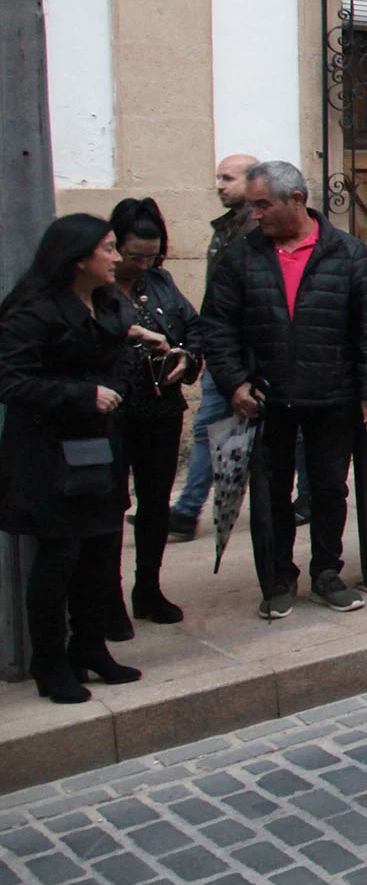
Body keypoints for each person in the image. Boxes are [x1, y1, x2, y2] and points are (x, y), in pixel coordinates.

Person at [195, 161, 367, 619]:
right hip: (265, 401)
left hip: (331, 396)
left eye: (263, 204)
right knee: (270, 495)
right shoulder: (241, 257)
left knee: (328, 490)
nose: (256, 214)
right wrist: (233, 384)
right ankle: (278, 579)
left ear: (297, 200)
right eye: (252, 205)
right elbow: (217, 328)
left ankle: (327, 573)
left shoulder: (346, 254)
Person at [0, 215, 150, 702]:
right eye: (106, 248)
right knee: (59, 557)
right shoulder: (32, 311)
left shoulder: (107, 303)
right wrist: (83, 396)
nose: (115, 256)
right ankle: (50, 661)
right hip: (48, 456)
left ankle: (91, 647)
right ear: (78, 257)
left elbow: (119, 358)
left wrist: (119, 386)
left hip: (99, 449)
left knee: (100, 551)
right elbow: (12, 382)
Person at [107, 198, 200, 628]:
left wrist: (188, 357)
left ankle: (148, 587)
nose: (143, 263)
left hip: (160, 407)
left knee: (155, 505)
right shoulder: (97, 284)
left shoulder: (160, 282)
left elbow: (195, 328)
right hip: (110, 413)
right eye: (134, 255)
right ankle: (107, 597)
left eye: (152, 254)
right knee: (108, 505)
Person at [168, 153, 259, 542]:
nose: (219, 185)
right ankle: (186, 512)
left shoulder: (253, 230)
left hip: (242, 352)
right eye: (218, 178)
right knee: (210, 427)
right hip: (223, 348)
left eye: (227, 178)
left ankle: (301, 501)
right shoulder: (226, 227)